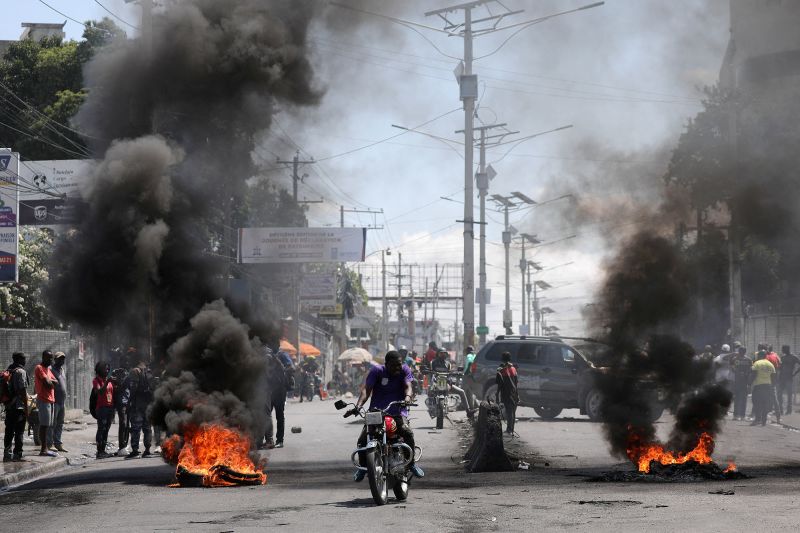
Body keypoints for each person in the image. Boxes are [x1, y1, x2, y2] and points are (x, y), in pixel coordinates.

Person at [352, 350, 423, 482]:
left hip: (397, 411)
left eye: (399, 364)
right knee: (363, 440)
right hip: (376, 411)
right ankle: (362, 467)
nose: (397, 368)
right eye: (394, 365)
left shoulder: (405, 370)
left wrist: (407, 398)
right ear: (386, 364)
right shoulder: (377, 371)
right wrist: (358, 406)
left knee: (407, 433)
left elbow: (408, 386)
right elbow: (366, 390)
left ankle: (411, 463)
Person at [123, 352, 155, 458]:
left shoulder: (135, 371)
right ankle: (147, 450)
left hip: (138, 404)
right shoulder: (149, 371)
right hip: (148, 404)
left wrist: (129, 402)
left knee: (136, 428)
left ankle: (135, 451)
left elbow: (133, 388)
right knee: (147, 427)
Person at [3, 352, 29, 462]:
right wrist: (27, 407)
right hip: (18, 407)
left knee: (9, 430)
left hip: (8, 406)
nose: (25, 361)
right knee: (19, 431)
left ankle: (7, 454)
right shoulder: (21, 371)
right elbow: (22, 390)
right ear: (19, 360)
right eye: (24, 359)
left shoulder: (8, 370)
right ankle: (18, 454)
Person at [34, 350, 58, 457]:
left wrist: (50, 381)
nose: (51, 360)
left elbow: (55, 382)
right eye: (49, 357)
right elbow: (48, 384)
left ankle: (46, 448)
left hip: (51, 399)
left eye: (52, 358)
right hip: (44, 399)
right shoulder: (39, 368)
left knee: (48, 425)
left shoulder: (48, 369)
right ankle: (43, 450)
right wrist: (50, 382)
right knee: (44, 425)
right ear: (43, 357)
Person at [263, 350, 287, 449]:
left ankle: (279, 440)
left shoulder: (279, 361)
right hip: (271, 392)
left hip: (279, 392)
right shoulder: (271, 361)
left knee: (279, 416)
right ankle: (269, 439)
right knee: (267, 415)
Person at [110, 353, 131, 457]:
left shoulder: (129, 373)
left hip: (128, 401)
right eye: (124, 361)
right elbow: (114, 387)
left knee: (127, 424)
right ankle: (121, 446)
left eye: (127, 361)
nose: (125, 363)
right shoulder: (115, 372)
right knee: (122, 423)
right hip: (120, 401)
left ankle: (124, 446)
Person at [93, 361, 115, 458]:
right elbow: (99, 392)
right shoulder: (96, 380)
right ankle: (99, 451)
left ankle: (103, 450)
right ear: (99, 369)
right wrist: (106, 382)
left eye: (108, 369)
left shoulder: (109, 380)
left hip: (110, 408)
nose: (107, 370)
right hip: (102, 408)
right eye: (105, 369)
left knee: (106, 429)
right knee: (101, 429)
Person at [47, 351, 68, 453]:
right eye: (60, 358)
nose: (62, 360)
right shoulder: (50, 370)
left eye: (63, 358)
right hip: (53, 401)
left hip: (62, 402)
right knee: (52, 424)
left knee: (60, 423)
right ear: (55, 359)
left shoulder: (62, 370)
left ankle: (58, 443)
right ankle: (50, 444)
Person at [495, 352, 519, 435]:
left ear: (502, 359)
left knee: (509, 411)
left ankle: (509, 430)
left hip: (506, 393)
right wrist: (517, 394)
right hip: (514, 392)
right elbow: (516, 382)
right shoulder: (514, 369)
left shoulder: (500, 370)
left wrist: (497, 394)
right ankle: (511, 429)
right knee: (512, 411)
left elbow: (499, 384)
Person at [750, 350, 776, 427]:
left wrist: (749, 384)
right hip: (768, 386)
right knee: (765, 403)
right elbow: (774, 377)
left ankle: (758, 419)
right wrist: (772, 386)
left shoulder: (757, 363)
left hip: (758, 386)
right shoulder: (770, 364)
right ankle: (764, 421)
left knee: (756, 403)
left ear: (759, 356)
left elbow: (753, 374)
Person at [730, 346, 752, 420]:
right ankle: (742, 416)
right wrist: (745, 374)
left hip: (738, 382)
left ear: (739, 351)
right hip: (744, 382)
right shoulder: (749, 359)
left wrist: (738, 372)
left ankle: (736, 416)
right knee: (743, 399)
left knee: (737, 399)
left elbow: (732, 369)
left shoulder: (735, 359)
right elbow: (750, 370)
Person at [777, 345, 799, 415]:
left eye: (783, 349)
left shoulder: (793, 357)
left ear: (787, 349)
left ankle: (789, 410)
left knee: (789, 395)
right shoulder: (782, 357)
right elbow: (780, 367)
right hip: (781, 378)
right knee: (779, 394)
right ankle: (781, 409)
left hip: (789, 378)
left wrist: (795, 373)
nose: (782, 351)